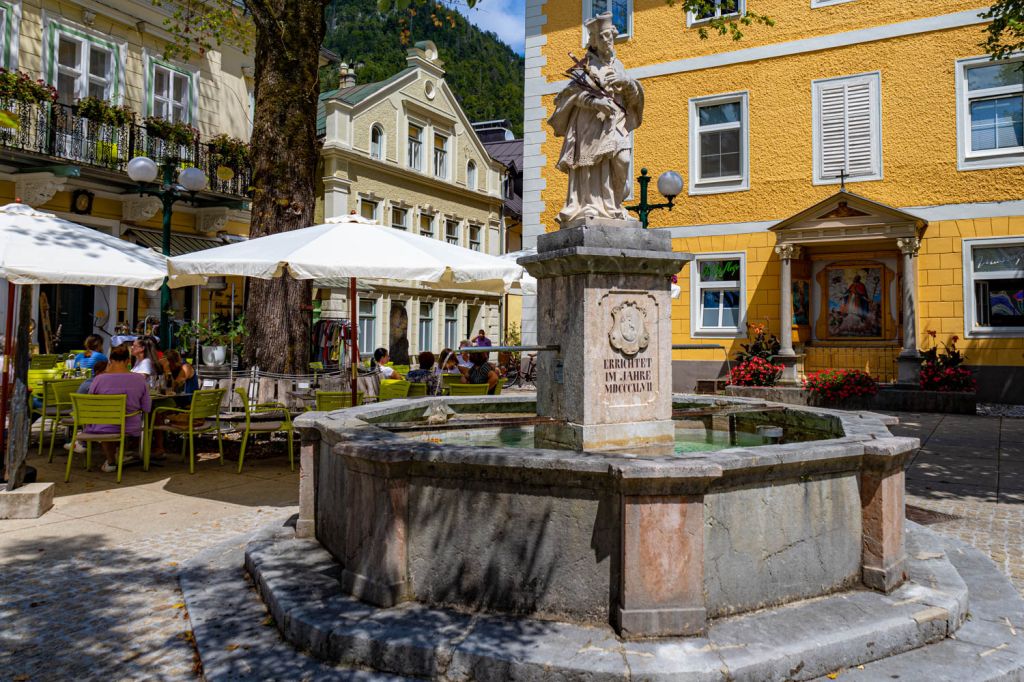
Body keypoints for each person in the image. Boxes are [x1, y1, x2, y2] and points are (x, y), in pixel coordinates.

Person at [548, 12, 644, 226]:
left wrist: (627, 82)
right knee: (591, 166)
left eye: (609, 36)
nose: (607, 40)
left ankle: (615, 205)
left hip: (615, 123)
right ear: (593, 41)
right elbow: (568, 96)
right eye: (601, 37)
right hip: (589, 125)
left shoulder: (618, 66)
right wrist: (593, 102)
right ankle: (593, 205)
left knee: (623, 160)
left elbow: (634, 97)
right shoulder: (586, 66)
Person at [84, 345, 151, 472]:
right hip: (130, 425)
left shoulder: (99, 379)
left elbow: (90, 403)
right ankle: (121, 455)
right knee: (117, 423)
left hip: (102, 425)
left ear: (110, 360)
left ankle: (111, 461)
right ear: (128, 361)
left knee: (106, 422)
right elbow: (147, 408)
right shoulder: (139, 379)